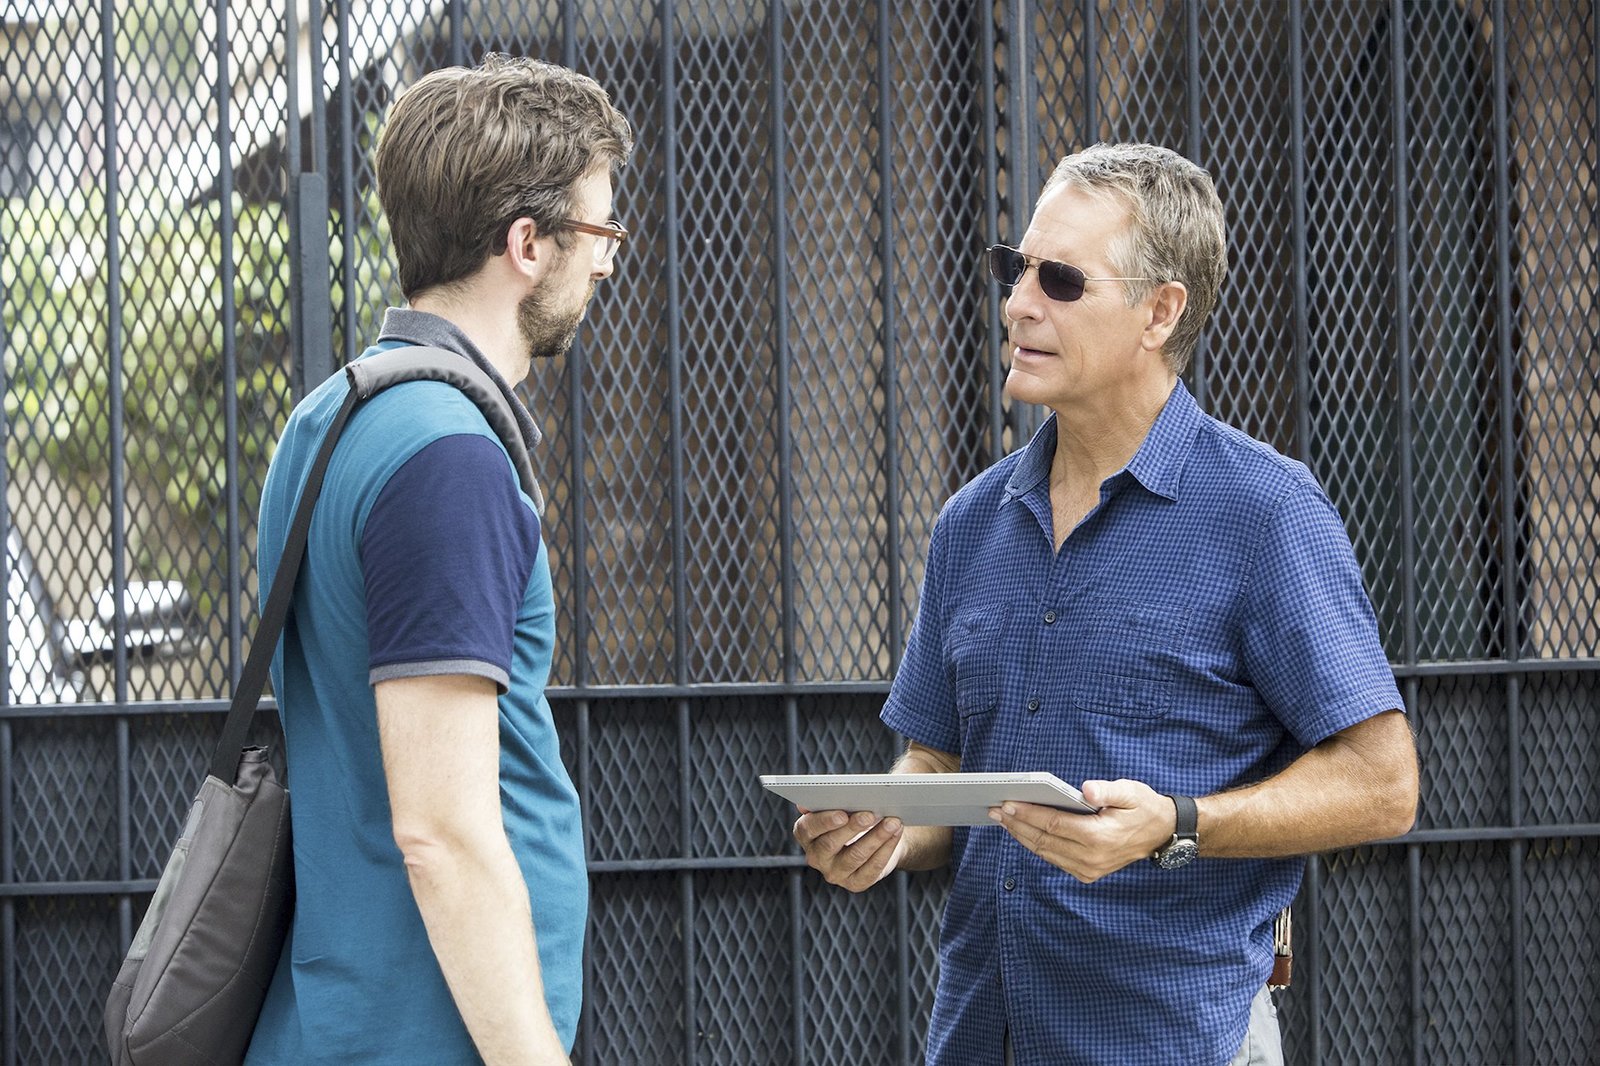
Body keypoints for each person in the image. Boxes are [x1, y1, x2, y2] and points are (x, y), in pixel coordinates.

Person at [793, 143, 1418, 1066]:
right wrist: (886, 833)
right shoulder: (970, 523)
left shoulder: (1265, 511)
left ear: (1159, 312)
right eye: (1016, 268)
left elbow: (1384, 785)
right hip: (981, 1037)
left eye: (1060, 279)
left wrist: (1179, 825)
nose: (1018, 303)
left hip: (1174, 1040)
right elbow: (941, 763)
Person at [246, 56, 631, 1065]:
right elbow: (442, 832)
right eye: (601, 235)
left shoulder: (331, 418)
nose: (605, 266)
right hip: (422, 1037)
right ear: (527, 245)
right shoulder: (447, 459)